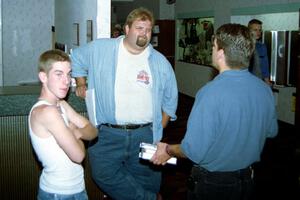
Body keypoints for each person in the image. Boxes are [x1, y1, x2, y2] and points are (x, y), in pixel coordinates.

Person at [151, 23, 278, 200]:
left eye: (213, 46)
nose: (212, 50)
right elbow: (271, 131)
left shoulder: (210, 93)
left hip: (214, 185)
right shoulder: (264, 90)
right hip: (248, 181)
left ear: (220, 52)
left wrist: (168, 150)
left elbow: (193, 151)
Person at [71, 7, 178, 200]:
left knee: (148, 178)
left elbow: (171, 100)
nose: (144, 33)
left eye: (148, 29)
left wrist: (158, 127)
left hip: (144, 133)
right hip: (107, 133)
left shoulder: (160, 62)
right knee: (103, 173)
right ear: (127, 29)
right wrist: (81, 82)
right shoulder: (101, 49)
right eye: (139, 28)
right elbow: (76, 57)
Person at [28, 49, 98, 200]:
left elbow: (93, 130)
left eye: (69, 74)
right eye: (59, 74)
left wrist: (77, 133)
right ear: (43, 77)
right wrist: (74, 128)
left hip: (77, 189)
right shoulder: (46, 111)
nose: (66, 81)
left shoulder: (61, 104)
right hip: (57, 193)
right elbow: (78, 156)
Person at [248, 19, 272, 85]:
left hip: (259, 81)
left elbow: (265, 66)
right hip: (246, 81)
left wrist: (267, 82)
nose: (258, 33)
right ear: (249, 31)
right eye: (255, 30)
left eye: (260, 30)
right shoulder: (244, 46)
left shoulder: (262, 47)